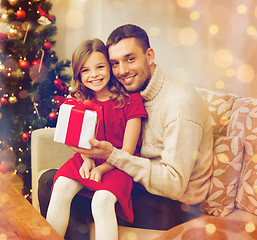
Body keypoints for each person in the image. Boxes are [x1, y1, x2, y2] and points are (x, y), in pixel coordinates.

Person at [38, 24, 213, 239]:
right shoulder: (133, 93)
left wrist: (111, 158)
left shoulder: (180, 104)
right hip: (138, 180)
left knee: (54, 183)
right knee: (56, 181)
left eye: (130, 59)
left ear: (149, 55)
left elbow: (174, 186)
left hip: (174, 205)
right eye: (115, 63)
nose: (122, 71)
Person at [46, 38, 147, 240]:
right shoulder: (78, 101)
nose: (94, 75)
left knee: (101, 201)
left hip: (120, 164)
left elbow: (128, 151)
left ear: (110, 67)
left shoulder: (130, 99)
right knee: (61, 186)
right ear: (78, 74)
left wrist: (101, 168)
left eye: (100, 67)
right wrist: (87, 160)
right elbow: (75, 140)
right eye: (85, 70)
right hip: (88, 158)